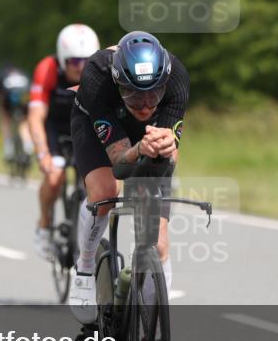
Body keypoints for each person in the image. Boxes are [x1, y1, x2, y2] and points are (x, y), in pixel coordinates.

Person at [68, 31, 188, 324]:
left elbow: (168, 160)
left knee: (158, 241)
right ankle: (84, 267)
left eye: (154, 95)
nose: (145, 105)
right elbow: (120, 162)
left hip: (145, 134)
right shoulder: (97, 77)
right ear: (119, 82)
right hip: (95, 126)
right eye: (134, 95)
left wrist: (166, 148)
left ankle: (151, 323)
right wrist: (139, 150)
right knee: (104, 194)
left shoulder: (177, 78)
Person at [28, 23, 101, 259]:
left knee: (96, 184)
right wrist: (42, 153)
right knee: (54, 177)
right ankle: (44, 225)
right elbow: (35, 116)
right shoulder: (47, 69)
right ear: (61, 60)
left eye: (87, 61)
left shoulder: (102, 72)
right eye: (74, 61)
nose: (80, 67)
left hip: (86, 128)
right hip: (55, 129)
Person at [0, 64, 33, 165]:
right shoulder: (24, 75)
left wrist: (1, 109)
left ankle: (8, 149)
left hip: (9, 98)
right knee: (24, 122)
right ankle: (28, 145)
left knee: (5, 119)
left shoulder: (3, 75)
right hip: (24, 97)